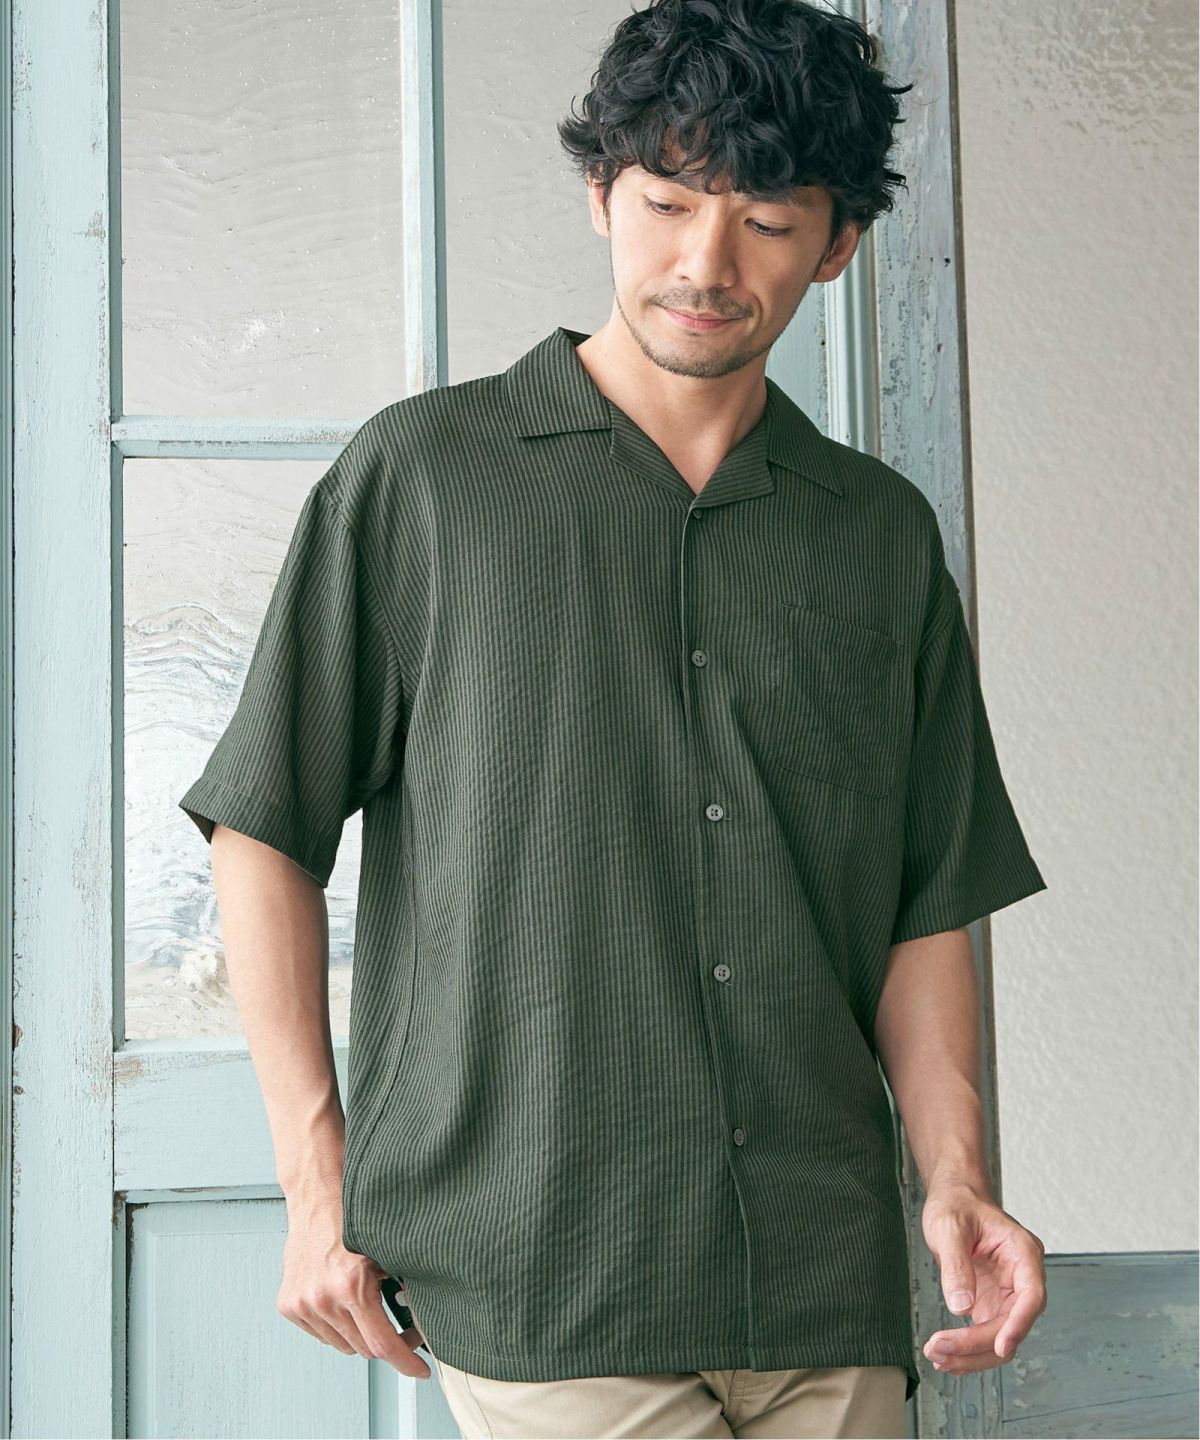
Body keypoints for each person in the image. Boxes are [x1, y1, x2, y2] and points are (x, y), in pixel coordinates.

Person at [178, 1, 1050, 1435]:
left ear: (837, 244)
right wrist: (315, 1181)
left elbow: (926, 899)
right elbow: (262, 824)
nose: (707, 264)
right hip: (547, 1270)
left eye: (768, 221)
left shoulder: (877, 537)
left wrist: (958, 1184)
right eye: (667, 202)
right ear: (600, 194)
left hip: (821, 1273)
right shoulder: (427, 479)